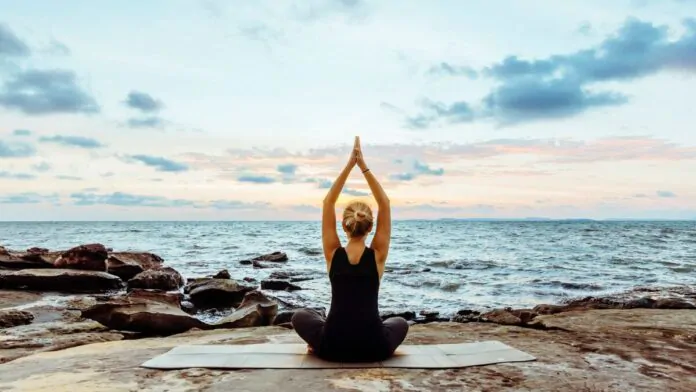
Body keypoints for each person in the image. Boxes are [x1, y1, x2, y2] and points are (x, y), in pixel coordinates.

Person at [291, 136, 409, 362]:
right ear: (371, 226)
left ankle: (317, 341)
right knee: (400, 322)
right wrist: (362, 166)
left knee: (300, 315)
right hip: (375, 347)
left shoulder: (333, 253)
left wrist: (349, 165)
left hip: (332, 347)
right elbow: (384, 203)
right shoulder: (377, 255)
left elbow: (328, 203)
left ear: (343, 225)